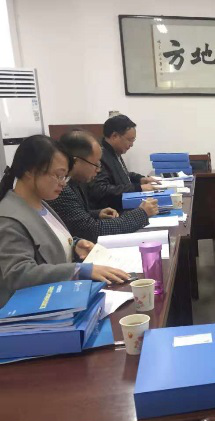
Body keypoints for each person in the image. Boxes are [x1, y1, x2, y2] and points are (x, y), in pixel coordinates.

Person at [0, 135, 129, 307]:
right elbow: (18, 274)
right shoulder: (9, 219)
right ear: (30, 171)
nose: (63, 183)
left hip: (61, 297)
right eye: (58, 175)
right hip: (36, 309)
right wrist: (79, 270)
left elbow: (44, 245)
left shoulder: (40, 204)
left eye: (65, 177)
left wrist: (74, 245)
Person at [47, 130, 159, 243]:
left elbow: (75, 218)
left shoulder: (76, 181)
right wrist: (141, 213)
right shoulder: (60, 189)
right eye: (95, 164)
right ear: (75, 162)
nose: (98, 169)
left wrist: (96, 213)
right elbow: (92, 231)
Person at [87, 114, 157, 211]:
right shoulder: (100, 155)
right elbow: (101, 190)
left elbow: (120, 175)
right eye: (129, 140)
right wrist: (138, 188)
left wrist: (140, 179)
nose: (131, 145)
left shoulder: (114, 152)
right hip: (112, 211)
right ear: (114, 136)